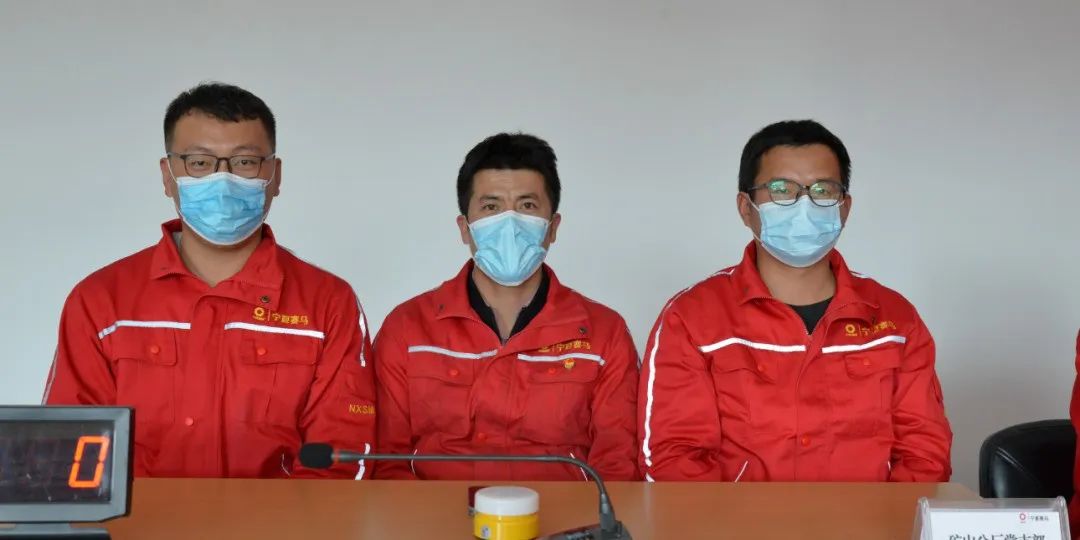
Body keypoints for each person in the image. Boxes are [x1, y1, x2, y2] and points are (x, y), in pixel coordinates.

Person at [43, 83, 376, 479]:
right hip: (141, 518)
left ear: (275, 175)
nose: (223, 180)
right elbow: (68, 451)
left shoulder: (328, 304)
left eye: (245, 162)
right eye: (199, 163)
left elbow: (340, 459)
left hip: (280, 518)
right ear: (168, 175)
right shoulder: (101, 302)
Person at [638, 120, 952, 482]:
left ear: (844, 208)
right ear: (745, 208)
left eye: (823, 190)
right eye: (781, 190)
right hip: (736, 519)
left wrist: (880, 517)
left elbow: (925, 453)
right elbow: (673, 459)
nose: (804, 205)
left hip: (871, 518)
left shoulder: (895, 320)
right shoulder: (692, 319)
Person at [374, 133, 639, 481]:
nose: (509, 224)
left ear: (553, 227)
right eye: (491, 207)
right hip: (434, 513)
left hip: (565, 515)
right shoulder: (407, 329)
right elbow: (385, 463)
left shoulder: (604, 334)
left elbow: (617, 469)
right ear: (465, 228)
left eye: (527, 206)